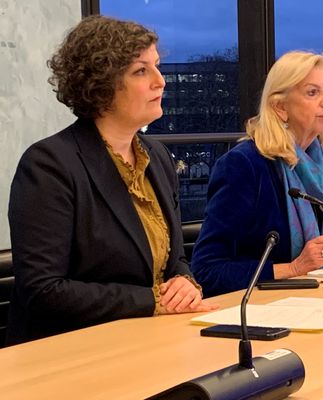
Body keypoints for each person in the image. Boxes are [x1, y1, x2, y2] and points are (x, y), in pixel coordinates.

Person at [7, 16, 216, 345]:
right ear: (101, 84)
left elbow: (173, 258)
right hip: (70, 351)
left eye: (157, 66)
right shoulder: (49, 165)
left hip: (152, 340)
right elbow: (43, 290)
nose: (161, 81)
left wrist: (185, 282)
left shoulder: (157, 157)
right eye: (141, 71)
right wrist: (153, 301)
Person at [192, 51, 323, 297]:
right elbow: (207, 271)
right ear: (280, 107)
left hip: (308, 302)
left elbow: (306, 260)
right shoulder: (244, 165)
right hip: (256, 312)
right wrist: (293, 268)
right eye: (312, 92)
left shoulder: (318, 163)